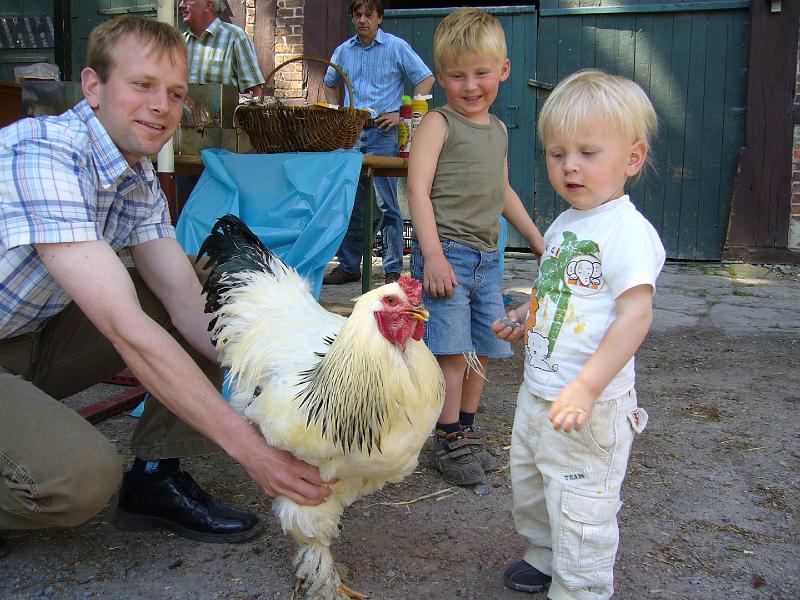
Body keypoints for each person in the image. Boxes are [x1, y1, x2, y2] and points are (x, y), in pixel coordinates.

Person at [0, 16, 331, 554]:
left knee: (204, 289)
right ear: (93, 86)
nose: (162, 106)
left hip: (29, 335)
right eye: (142, 86)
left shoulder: (135, 173)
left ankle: (155, 475)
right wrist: (253, 451)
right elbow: (126, 329)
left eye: (175, 93)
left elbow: (183, 301)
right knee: (78, 481)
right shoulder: (45, 153)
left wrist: (297, 388)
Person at [493, 69, 666, 599]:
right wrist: (528, 315)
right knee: (530, 484)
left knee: (582, 506)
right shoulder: (566, 224)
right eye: (557, 152)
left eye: (588, 152)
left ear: (632, 159)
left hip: (590, 407)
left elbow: (635, 316)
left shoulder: (627, 233)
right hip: (540, 393)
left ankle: (581, 588)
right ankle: (546, 556)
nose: (569, 165)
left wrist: (587, 386)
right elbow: (557, 290)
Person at [406, 8, 545, 486]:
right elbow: (417, 191)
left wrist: (533, 236)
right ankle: (445, 440)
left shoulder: (500, 132)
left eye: (481, 73)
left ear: (503, 71)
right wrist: (433, 257)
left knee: (484, 348)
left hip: (489, 258)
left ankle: (464, 431)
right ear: (441, 76)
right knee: (451, 351)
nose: (470, 86)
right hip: (447, 255)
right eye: (457, 75)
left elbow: (502, 192)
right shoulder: (437, 126)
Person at [323, 0, 434, 286]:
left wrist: (401, 115)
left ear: (379, 18)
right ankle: (349, 265)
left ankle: (392, 269)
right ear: (352, 18)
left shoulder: (395, 47)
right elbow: (329, 82)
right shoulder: (343, 51)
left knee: (387, 205)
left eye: (368, 15)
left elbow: (426, 79)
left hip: (383, 134)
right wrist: (338, 115)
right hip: (351, 132)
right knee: (352, 201)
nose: (362, 20)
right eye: (357, 15)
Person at [181, 0, 265, 95]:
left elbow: (255, 91)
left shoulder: (235, 37)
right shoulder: (180, 42)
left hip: (225, 110)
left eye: (187, 0)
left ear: (209, 5)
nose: (181, 5)